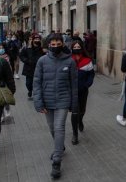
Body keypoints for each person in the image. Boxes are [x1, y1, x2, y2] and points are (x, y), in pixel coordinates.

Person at [33, 34, 78, 179]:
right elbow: (37, 83)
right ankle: (60, 147)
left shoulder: (70, 62)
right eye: (52, 43)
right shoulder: (42, 61)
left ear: (62, 44)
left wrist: (74, 105)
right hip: (47, 101)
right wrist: (38, 102)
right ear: (48, 45)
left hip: (63, 101)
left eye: (58, 43)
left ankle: (57, 161)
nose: (55, 45)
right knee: (52, 129)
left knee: (59, 128)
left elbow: (74, 85)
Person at [70, 40, 95, 145]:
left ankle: (80, 120)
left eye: (78, 47)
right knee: (74, 112)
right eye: (74, 47)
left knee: (82, 110)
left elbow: (91, 75)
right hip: (72, 91)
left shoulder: (87, 60)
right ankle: (75, 134)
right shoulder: (68, 60)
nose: (76, 48)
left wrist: (87, 84)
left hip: (83, 90)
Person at [19, 34, 45, 100]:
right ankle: (30, 90)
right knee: (28, 83)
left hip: (39, 68)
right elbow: (21, 55)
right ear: (33, 40)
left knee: (38, 83)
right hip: (29, 68)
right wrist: (26, 60)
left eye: (38, 39)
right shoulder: (27, 48)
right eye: (35, 39)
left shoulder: (42, 49)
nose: (37, 40)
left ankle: (36, 93)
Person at [0, 43, 12, 122]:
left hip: (5, 80)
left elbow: (9, 69)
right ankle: (1, 115)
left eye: (2, 48)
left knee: (5, 98)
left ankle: (7, 107)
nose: (1, 49)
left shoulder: (7, 57)